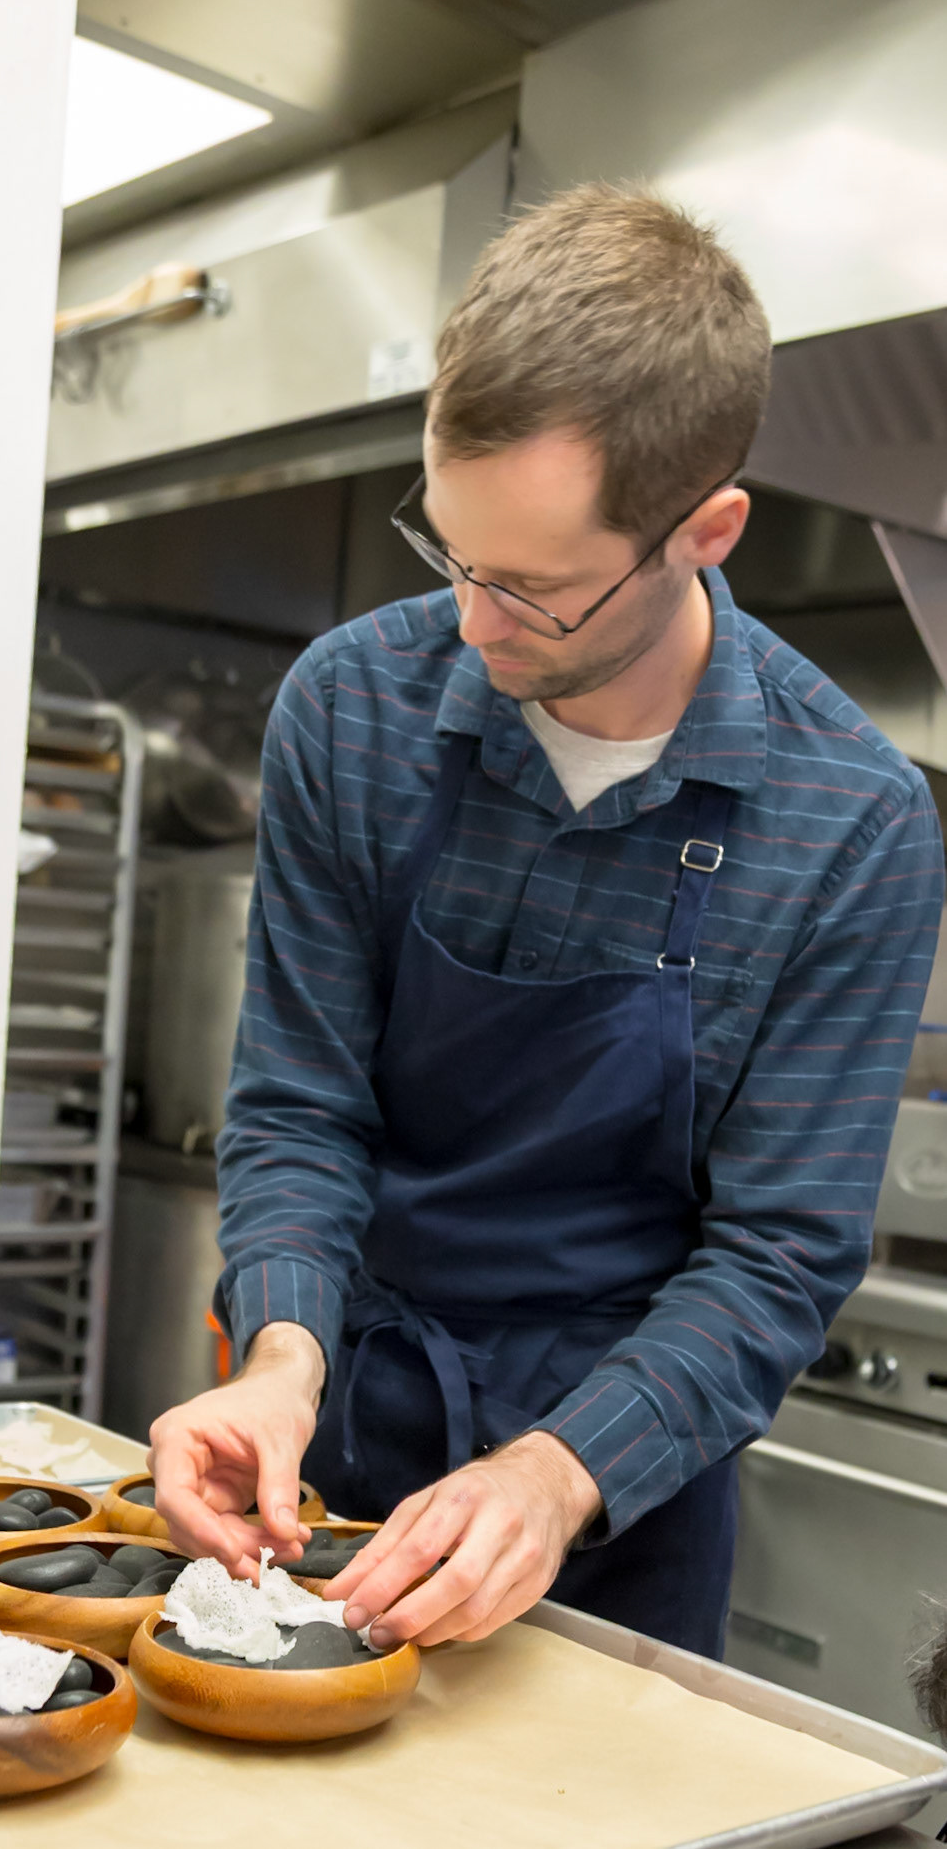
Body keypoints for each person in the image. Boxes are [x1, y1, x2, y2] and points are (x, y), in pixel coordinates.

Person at [147, 184, 945, 1661]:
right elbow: (304, 1101)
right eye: (448, 550)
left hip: (620, 1492)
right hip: (344, 1430)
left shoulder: (857, 821)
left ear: (706, 532)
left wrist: (556, 1470)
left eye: (533, 589)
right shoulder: (350, 708)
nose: (469, 622)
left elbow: (775, 1252)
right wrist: (279, 1356)